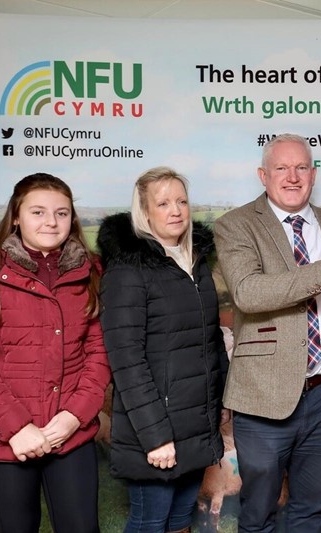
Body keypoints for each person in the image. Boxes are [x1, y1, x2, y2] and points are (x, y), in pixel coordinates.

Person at [214, 133, 321, 532]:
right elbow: (248, 292)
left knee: (310, 507)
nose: (292, 177)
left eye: (301, 168)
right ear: (263, 175)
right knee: (259, 511)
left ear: (313, 175)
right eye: (281, 168)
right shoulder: (236, 225)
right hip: (263, 396)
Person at [0, 173, 111, 533]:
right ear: (16, 216)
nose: (51, 221)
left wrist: (73, 417)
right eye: (38, 212)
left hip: (69, 434)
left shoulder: (90, 272)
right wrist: (17, 428)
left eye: (61, 213)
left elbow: (99, 352)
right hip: (3, 440)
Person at [98, 167, 229, 533]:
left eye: (182, 201)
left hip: (195, 426)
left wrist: (219, 404)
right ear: (145, 212)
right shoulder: (128, 270)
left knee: (178, 521)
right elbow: (126, 361)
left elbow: (210, 339)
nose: (176, 210)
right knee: (150, 521)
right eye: (163, 203)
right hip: (155, 431)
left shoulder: (195, 264)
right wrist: (156, 437)